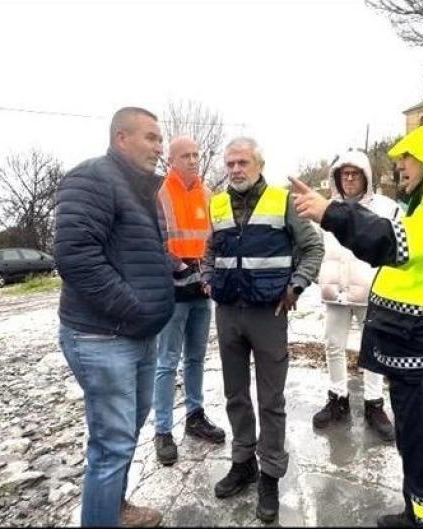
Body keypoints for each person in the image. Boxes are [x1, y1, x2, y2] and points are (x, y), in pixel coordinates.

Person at [290, 122, 423, 528]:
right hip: (416, 354)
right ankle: (417, 514)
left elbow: (387, 241)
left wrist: (330, 212)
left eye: (409, 159)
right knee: (414, 444)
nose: (401, 167)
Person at [54, 106, 174, 528]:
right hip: (103, 336)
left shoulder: (141, 189)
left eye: (160, 139)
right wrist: (133, 306)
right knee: (111, 445)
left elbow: (132, 253)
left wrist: (170, 271)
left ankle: (116, 509)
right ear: (121, 138)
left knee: (126, 434)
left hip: (138, 335)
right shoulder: (93, 178)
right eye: (150, 137)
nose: (159, 147)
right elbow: (75, 256)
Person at [200, 137, 324, 523]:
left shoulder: (281, 200)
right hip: (228, 312)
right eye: (231, 163)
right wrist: (206, 276)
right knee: (235, 394)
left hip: (268, 314)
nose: (236, 169)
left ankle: (270, 472)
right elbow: (209, 249)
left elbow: (313, 248)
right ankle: (243, 462)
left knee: (271, 399)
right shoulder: (217, 203)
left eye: (243, 162)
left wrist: (297, 285)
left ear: (259, 164)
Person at [313, 149, 400, 442]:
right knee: (333, 344)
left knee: (374, 349)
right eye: (344, 174)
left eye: (355, 173)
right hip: (334, 291)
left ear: (366, 176)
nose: (349, 179)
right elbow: (313, 246)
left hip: (371, 292)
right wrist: (317, 276)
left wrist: (388, 283)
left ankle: (374, 404)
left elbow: (398, 245)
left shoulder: (386, 208)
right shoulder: (326, 210)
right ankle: (338, 397)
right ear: (337, 178)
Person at [152, 136, 226, 467]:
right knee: (167, 361)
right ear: (172, 160)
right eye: (186, 155)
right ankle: (163, 430)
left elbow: (213, 240)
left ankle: (195, 415)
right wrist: (182, 268)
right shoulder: (160, 193)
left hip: (201, 291)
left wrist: (207, 274)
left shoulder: (208, 194)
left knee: (195, 358)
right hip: (173, 289)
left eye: (196, 155)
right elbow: (157, 241)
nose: (193, 160)